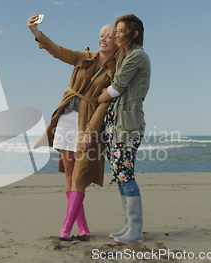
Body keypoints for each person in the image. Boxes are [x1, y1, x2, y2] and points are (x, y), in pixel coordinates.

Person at [27, 13, 117, 241]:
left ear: (118, 41)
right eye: (101, 35)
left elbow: (103, 106)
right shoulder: (84, 58)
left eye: (108, 36)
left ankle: (65, 229)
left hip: (87, 125)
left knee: (79, 176)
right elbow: (58, 51)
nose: (103, 39)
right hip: (65, 119)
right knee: (69, 174)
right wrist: (36, 33)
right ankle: (83, 227)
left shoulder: (115, 72)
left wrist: (90, 132)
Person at [97, 14, 151, 243]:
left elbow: (115, 89)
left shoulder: (137, 56)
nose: (116, 35)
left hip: (127, 126)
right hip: (117, 125)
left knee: (126, 175)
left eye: (120, 31)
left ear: (134, 33)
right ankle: (129, 226)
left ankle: (136, 230)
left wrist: (100, 96)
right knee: (120, 176)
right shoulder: (126, 54)